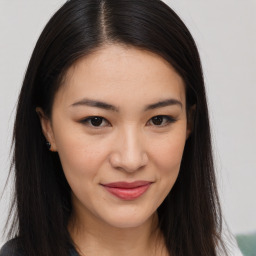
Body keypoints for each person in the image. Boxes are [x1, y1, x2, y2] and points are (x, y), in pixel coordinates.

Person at [0, 0, 232, 255]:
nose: (131, 160)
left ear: (189, 123)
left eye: (159, 120)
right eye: (96, 121)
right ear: (48, 127)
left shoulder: (224, 249)